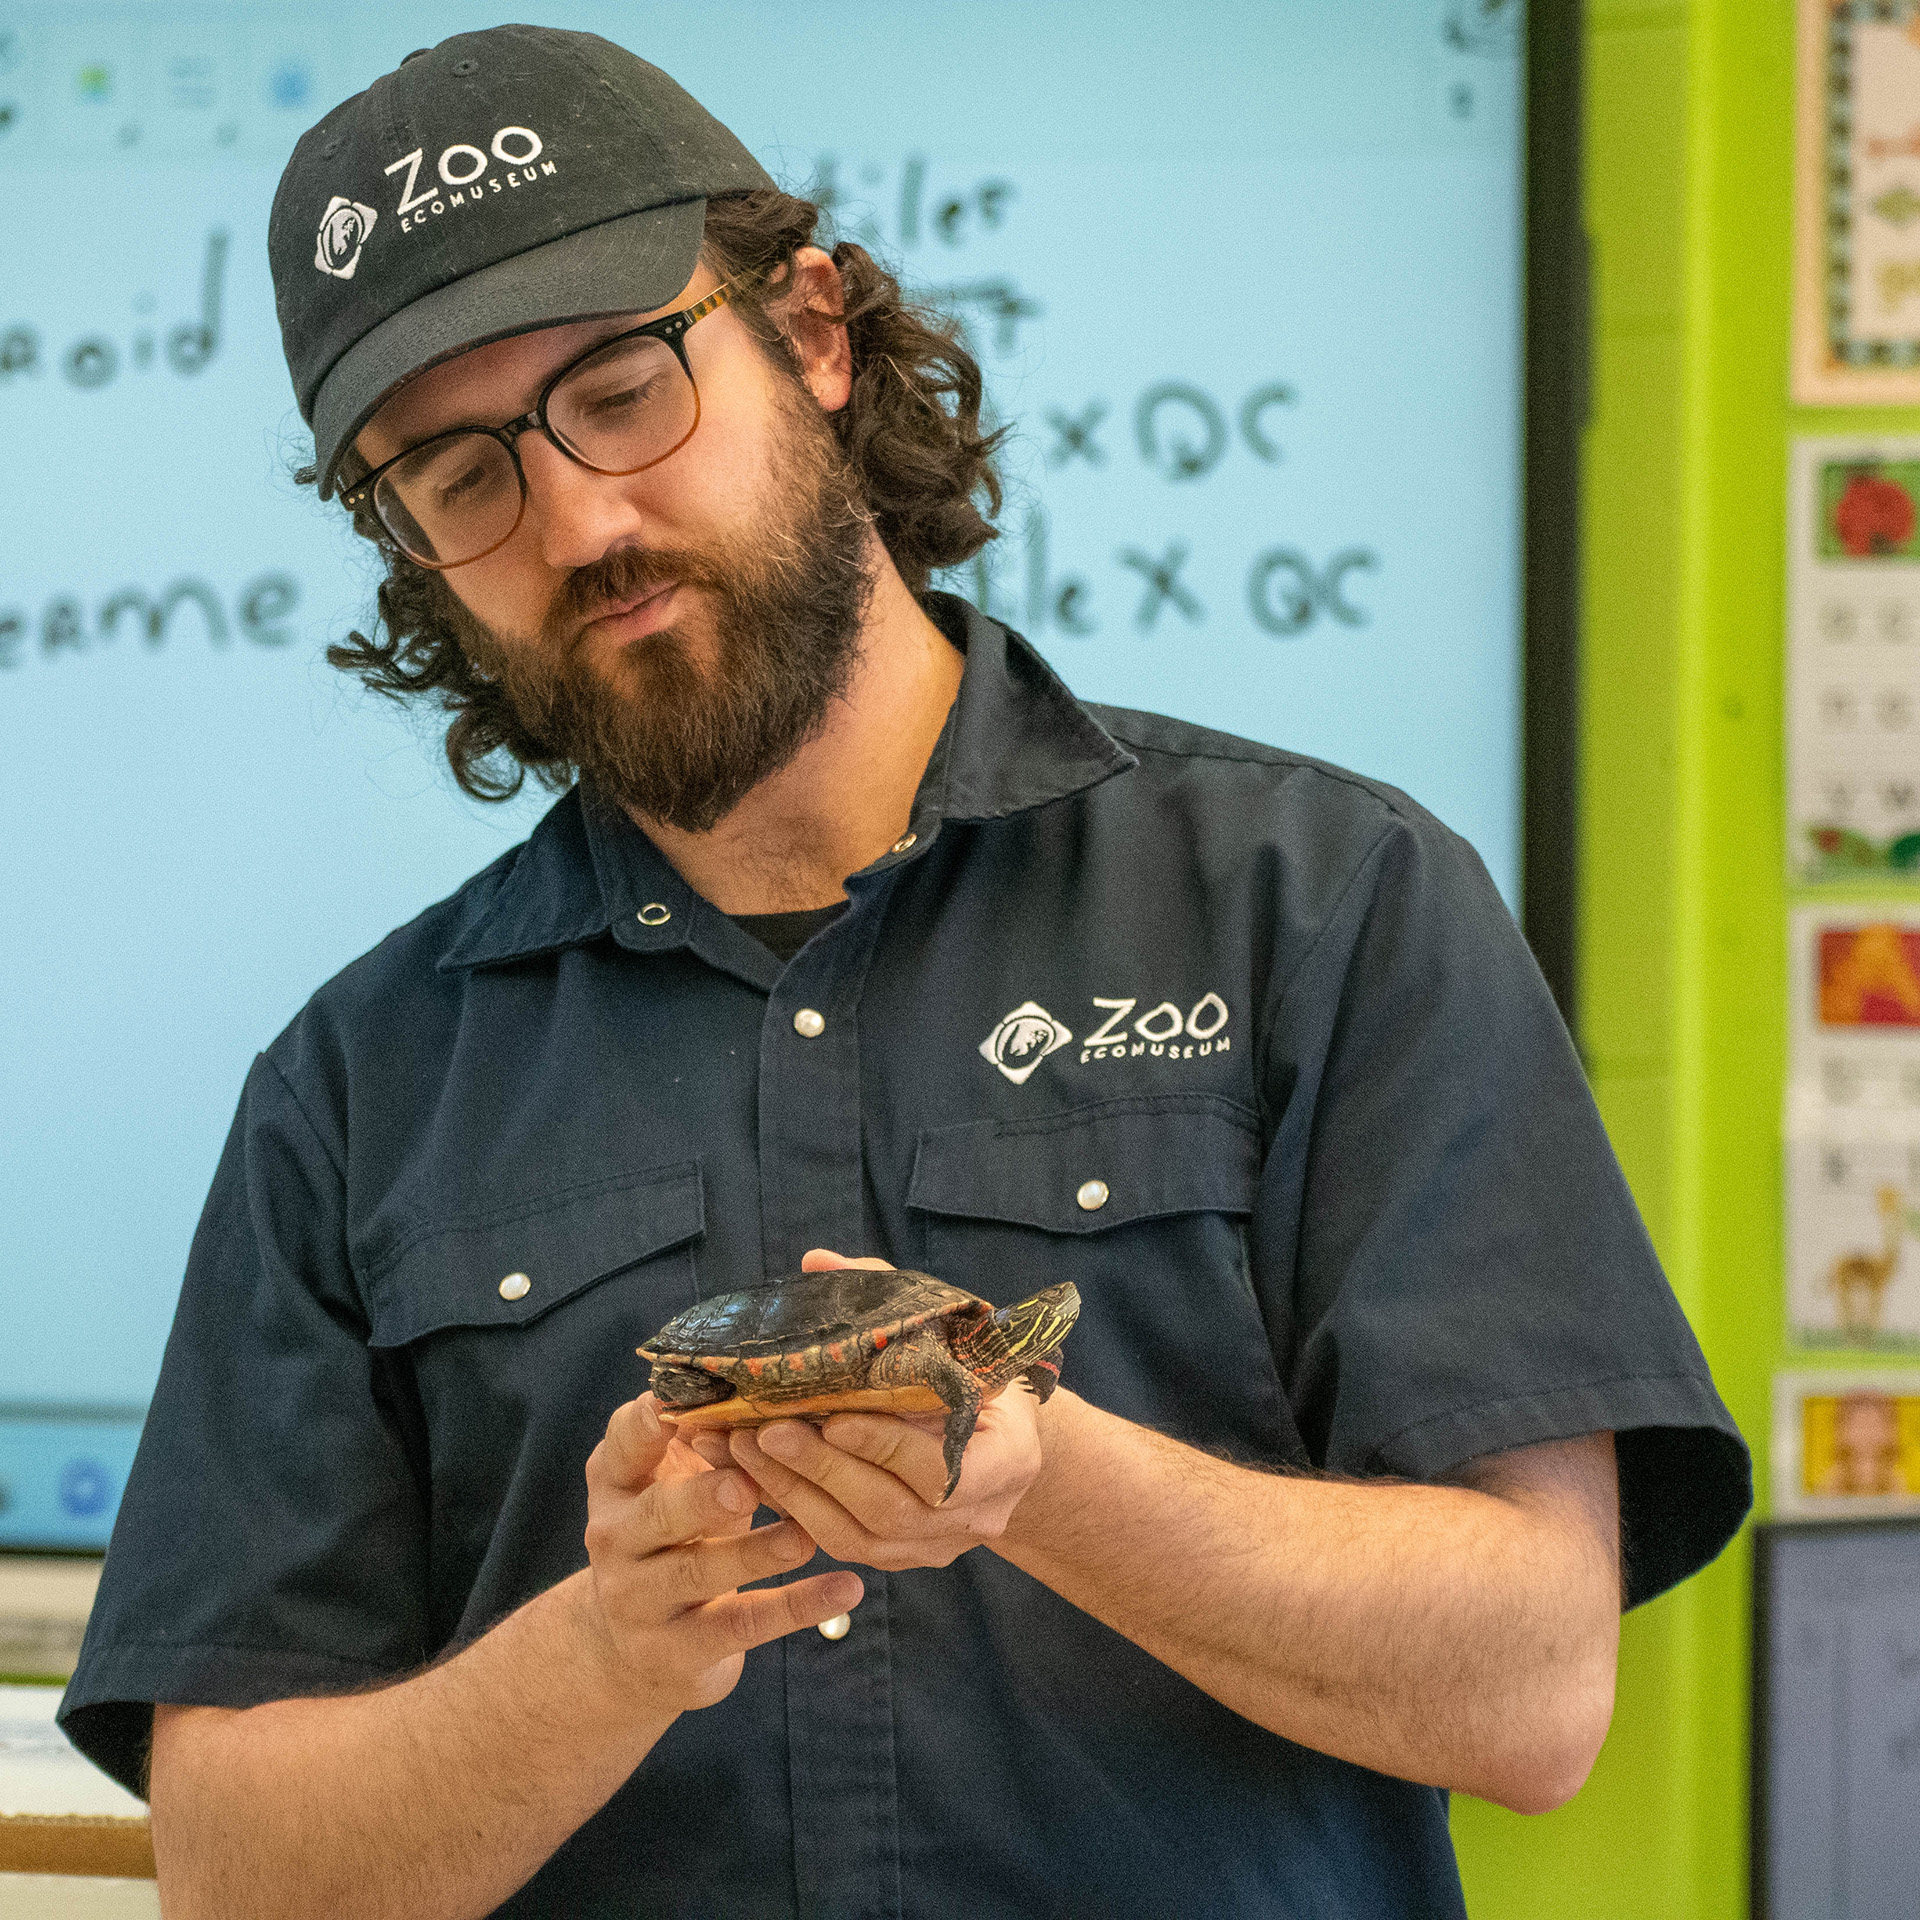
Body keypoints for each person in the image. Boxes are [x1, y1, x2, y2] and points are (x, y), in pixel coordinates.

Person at [60, 25, 1750, 1919]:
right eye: (456, 478)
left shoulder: (1328, 904)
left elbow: (1532, 1688)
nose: (579, 523)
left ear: (811, 331)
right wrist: (609, 1648)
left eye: (621, 390)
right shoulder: (359, 1089)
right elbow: (237, 1873)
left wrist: (1037, 1480)